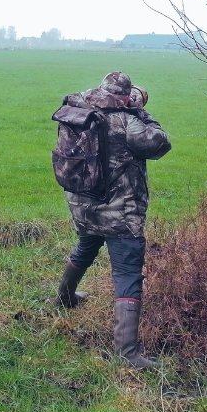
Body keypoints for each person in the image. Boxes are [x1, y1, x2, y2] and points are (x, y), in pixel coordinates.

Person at [53, 72, 171, 369]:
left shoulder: (78, 110)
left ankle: (64, 298)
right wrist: (140, 109)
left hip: (82, 205)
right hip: (120, 213)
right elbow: (161, 143)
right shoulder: (129, 122)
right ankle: (127, 353)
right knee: (128, 273)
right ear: (125, 96)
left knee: (86, 247)